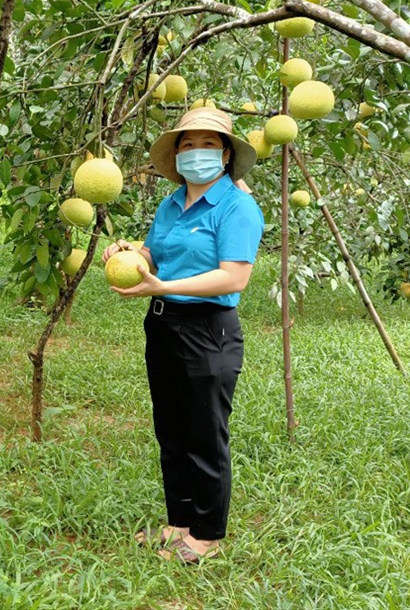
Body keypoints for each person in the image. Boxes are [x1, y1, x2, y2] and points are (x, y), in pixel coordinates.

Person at [101, 108, 264, 564]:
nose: (197, 153)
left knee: (204, 434)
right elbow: (158, 254)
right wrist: (132, 252)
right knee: (170, 429)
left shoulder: (237, 206)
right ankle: (178, 523)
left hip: (207, 329)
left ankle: (207, 535)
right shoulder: (172, 204)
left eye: (208, 145)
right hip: (163, 324)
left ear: (226, 154)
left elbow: (233, 278)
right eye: (188, 145)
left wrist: (162, 285)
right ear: (177, 155)